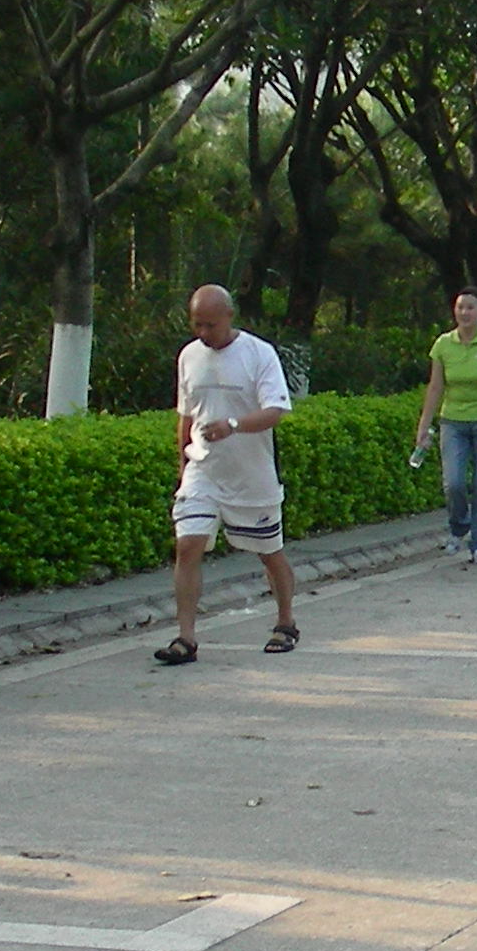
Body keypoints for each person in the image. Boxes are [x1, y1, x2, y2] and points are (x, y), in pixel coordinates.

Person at [159, 284, 300, 665]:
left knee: (269, 552)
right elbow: (186, 416)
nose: (203, 333)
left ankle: (286, 622)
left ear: (229, 317)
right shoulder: (189, 356)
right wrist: (183, 466)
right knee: (188, 545)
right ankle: (186, 637)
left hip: (251, 475)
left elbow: (276, 411)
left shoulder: (259, 353)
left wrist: (233, 425)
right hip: (204, 470)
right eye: (197, 324)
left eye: (211, 324)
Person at [416, 286, 477, 566]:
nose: (464, 312)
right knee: (454, 483)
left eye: (471, 307)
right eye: (460, 307)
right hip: (453, 422)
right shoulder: (443, 344)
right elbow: (435, 387)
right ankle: (459, 526)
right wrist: (424, 425)